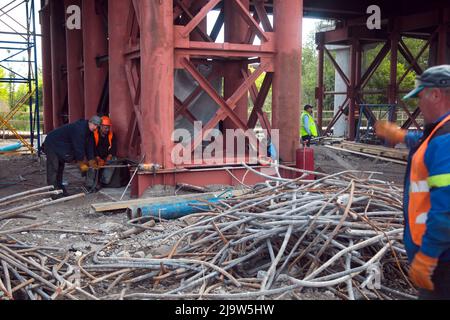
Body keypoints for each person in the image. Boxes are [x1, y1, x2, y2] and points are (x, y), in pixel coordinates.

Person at [375, 65, 450, 300]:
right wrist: (402, 136)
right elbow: (428, 142)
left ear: (436, 94)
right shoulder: (439, 133)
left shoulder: (445, 140)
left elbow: (447, 207)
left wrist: (427, 256)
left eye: (420, 96)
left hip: (442, 260)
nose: (419, 103)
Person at [42, 116, 101, 196]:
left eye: (97, 126)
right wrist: (81, 163)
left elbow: (89, 146)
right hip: (52, 143)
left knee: (60, 168)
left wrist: (91, 160)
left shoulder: (90, 132)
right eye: (94, 125)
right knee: (53, 168)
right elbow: (78, 147)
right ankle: (53, 192)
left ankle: (60, 189)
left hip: (60, 146)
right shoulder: (80, 129)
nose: (95, 127)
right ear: (89, 122)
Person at [86, 116, 118, 190]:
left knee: (114, 159)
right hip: (95, 155)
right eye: (105, 128)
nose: (107, 130)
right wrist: (97, 158)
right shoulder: (93, 135)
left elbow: (113, 147)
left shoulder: (111, 135)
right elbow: (91, 148)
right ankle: (90, 184)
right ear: (100, 126)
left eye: (108, 127)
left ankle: (103, 181)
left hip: (106, 156)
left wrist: (109, 156)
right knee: (92, 162)